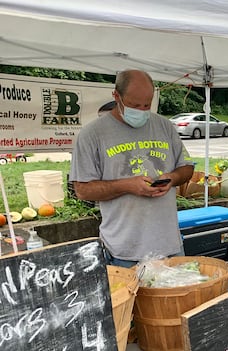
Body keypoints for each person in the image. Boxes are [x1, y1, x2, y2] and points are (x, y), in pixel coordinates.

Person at [70, 69, 195, 268]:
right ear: (116, 96)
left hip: (170, 246)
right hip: (124, 252)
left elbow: (187, 168)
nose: (142, 110)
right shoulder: (92, 134)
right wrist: (128, 185)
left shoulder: (164, 126)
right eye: (135, 105)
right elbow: (82, 190)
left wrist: (172, 178)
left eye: (147, 104)